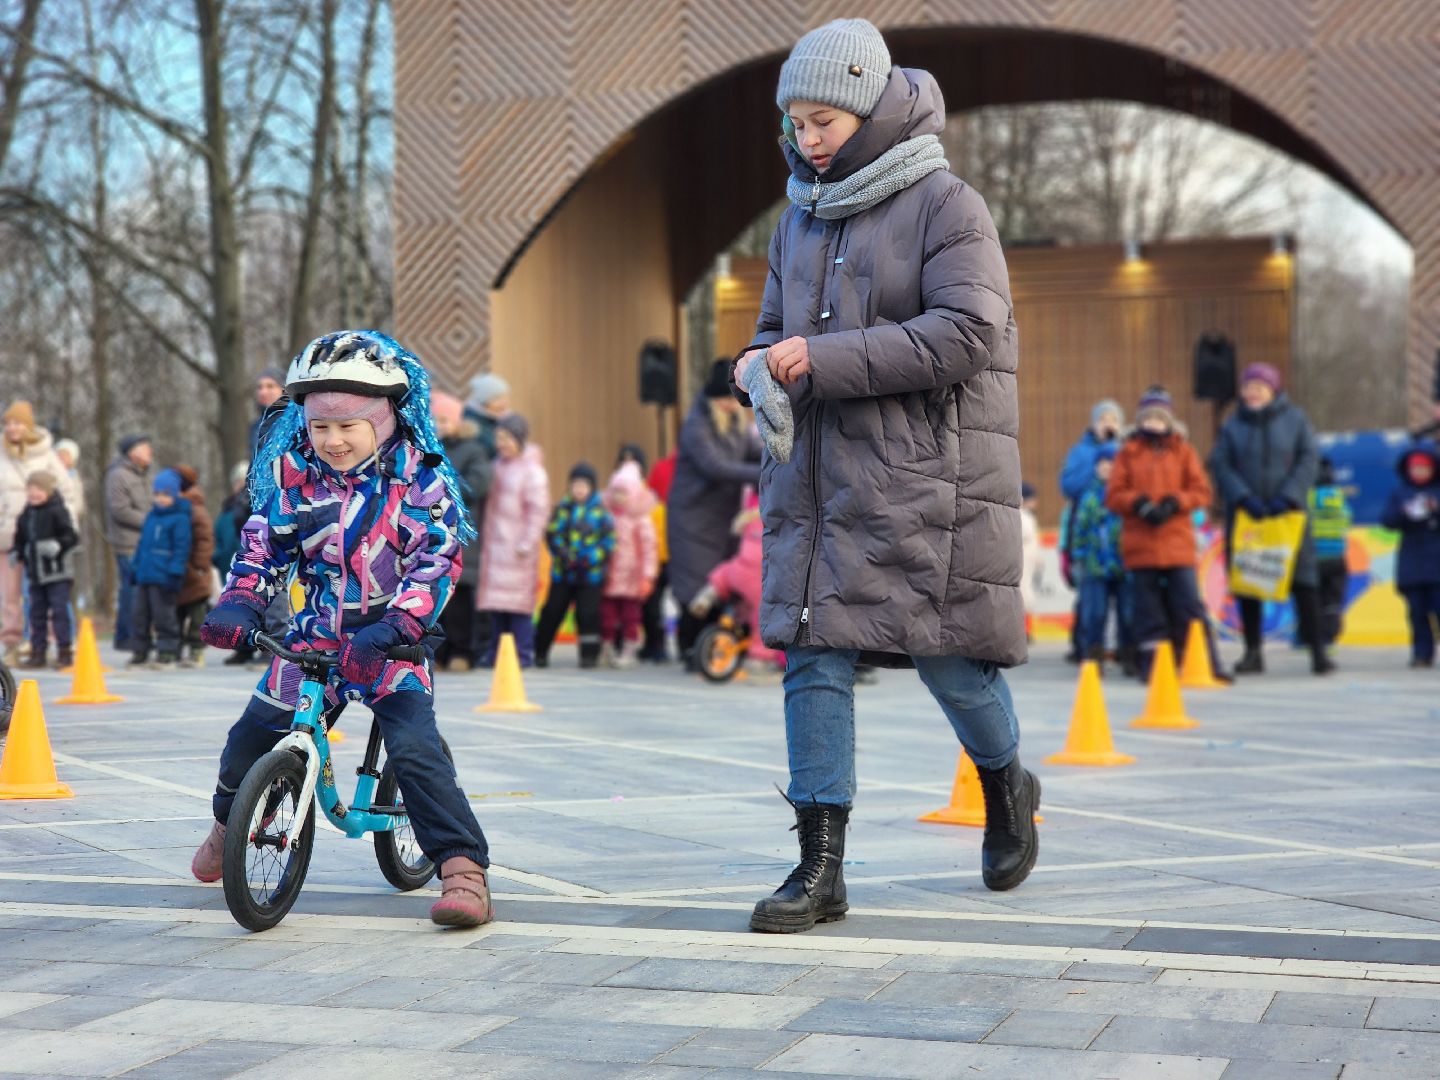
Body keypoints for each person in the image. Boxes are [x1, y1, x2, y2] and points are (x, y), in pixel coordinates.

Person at [731, 19, 1037, 934]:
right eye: (796, 123)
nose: (806, 138)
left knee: (950, 660)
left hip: (923, 482)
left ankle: (1006, 782)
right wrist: (753, 367)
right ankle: (818, 867)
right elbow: (765, 333)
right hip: (813, 484)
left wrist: (817, 360)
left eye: (822, 120)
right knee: (812, 659)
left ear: (868, 106)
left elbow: (968, 335)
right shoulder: (797, 216)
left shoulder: (949, 204)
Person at [194, 330, 495, 928]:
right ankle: (232, 822)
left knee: (416, 753)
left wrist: (399, 625)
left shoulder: (418, 481)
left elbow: (437, 561)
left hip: (389, 645)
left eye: (347, 426)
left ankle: (462, 867)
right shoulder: (295, 480)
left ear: (382, 421)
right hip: (313, 641)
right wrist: (241, 602)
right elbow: (263, 547)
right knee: (249, 739)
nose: (331, 441)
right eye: (319, 427)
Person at [1211, 362, 1333, 675]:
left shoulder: (1296, 420)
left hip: (1288, 516)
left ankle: (1318, 651)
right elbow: (1220, 464)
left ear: (1273, 389)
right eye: (1248, 387)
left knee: (1303, 583)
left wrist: (1289, 496)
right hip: (1249, 517)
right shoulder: (1232, 425)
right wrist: (1242, 497)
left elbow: (1309, 458)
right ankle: (1253, 652)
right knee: (1249, 583)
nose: (1252, 393)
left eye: (1259, 387)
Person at [1105, 388, 1223, 680]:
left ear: (1169, 420)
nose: (1154, 423)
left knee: (1188, 605)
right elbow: (1114, 494)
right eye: (1148, 417)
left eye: (1160, 417)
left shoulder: (1184, 451)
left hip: (1176, 543)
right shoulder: (1128, 452)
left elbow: (1201, 491)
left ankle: (1205, 662)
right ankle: (1155, 667)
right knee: (1149, 610)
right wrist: (1139, 503)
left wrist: (1175, 502)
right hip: (1141, 545)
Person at [667, 360, 762, 665]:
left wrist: (775, 459)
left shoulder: (734, 423)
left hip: (721, 519)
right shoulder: (697, 425)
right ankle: (690, 648)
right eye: (726, 399)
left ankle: (710, 650)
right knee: (695, 584)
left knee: (719, 584)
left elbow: (752, 453)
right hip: (692, 520)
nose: (732, 405)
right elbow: (715, 467)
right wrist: (759, 474)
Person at [2, 401, 80, 664]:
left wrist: (61, 533)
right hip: (10, 535)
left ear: (28, 425)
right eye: (8, 423)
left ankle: (61, 644)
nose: (12, 428)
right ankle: (16, 643)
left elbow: (66, 491)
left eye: (17, 422)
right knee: (11, 596)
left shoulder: (46, 455)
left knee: (53, 595)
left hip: (47, 536)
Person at [475, 413, 548, 668]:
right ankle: (497, 654)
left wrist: (527, 543)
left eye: (506, 438)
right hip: (495, 549)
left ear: (519, 439)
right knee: (498, 608)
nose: (501, 443)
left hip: (517, 550)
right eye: (498, 438)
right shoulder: (497, 466)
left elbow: (537, 511)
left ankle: (522, 654)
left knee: (518, 608)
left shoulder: (533, 471)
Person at [688, 491, 784, 676]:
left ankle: (709, 593)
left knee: (725, 572)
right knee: (764, 613)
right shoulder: (780, 519)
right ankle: (759, 656)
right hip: (759, 576)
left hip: (738, 570)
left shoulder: (750, 515)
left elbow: (735, 529)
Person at [1058, 400, 1125, 663]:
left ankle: (1122, 648)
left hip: (1118, 536)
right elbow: (1068, 485)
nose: (1108, 424)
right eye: (1103, 419)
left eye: (1113, 419)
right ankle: (1084, 646)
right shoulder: (1081, 452)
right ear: (1094, 424)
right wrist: (1099, 463)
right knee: (1090, 597)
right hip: (1089, 534)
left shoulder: (1128, 450)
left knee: (1123, 599)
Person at [431, 391, 493, 670]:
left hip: (461, 532)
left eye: (445, 419)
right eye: (436, 419)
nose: (440, 425)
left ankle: (462, 652)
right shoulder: (431, 448)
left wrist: (446, 488)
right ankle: (440, 652)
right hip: (434, 532)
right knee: (437, 597)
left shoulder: (473, 449)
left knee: (461, 599)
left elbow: (478, 483)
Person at [534, 463, 614, 668]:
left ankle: (589, 655)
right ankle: (540, 651)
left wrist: (590, 558)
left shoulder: (600, 513)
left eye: (584, 486)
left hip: (590, 575)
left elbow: (608, 542)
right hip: (564, 572)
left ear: (592, 488)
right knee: (552, 610)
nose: (579, 490)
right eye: (575, 485)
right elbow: (552, 534)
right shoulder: (562, 509)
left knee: (588, 614)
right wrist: (564, 554)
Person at [1071, 444, 1133, 673]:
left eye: (1112, 463)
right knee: (1095, 612)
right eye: (1103, 463)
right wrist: (1079, 557)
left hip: (1123, 565)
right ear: (1096, 467)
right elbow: (1080, 530)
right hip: (1095, 566)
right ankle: (1093, 656)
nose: (1108, 467)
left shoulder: (1125, 495)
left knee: (1128, 612)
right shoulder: (1089, 497)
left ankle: (1128, 655)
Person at [1380, 443, 1440, 668]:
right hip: (1412, 564)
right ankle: (1421, 653)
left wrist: (1435, 508)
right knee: (1416, 613)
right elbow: (1386, 521)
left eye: (1425, 468)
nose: (1420, 473)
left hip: (1437, 564)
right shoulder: (1400, 492)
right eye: (1416, 468)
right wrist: (1404, 512)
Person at [13, 470, 79, 669]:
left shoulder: (57, 510)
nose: (35, 494)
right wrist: (17, 552)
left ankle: (65, 652)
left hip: (57, 572)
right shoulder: (26, 513)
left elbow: (71, 536)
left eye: (39, 490)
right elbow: (20, 537)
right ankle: (38, 652)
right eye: (31, 490)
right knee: (36, 613)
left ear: (49, 491)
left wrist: (58, 544)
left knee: (59, 611)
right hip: (35, 574)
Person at [128, 468, 192, 670]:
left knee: (164, 615)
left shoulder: (180, 519)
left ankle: (167, 650)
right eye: (157, 494)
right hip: (145, 574)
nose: (161, 499)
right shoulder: (151, 517)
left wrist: (175, 571)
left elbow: (181, 547)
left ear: (174, 495)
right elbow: (142, 546)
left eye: (165, 494)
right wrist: (135, 567)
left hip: (163, 576)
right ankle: (140, 649)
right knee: (140, 615)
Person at [600, 460, 658, 668]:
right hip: (610, 576)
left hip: (632, 578)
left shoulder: (640, 519)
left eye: (624, 493)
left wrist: (647, 576)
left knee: (630, 617)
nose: (618, 497)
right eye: (615, 492)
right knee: (607, 615)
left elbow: (649, 549)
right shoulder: (606, 517)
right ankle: (606, 648)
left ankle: (628, 649)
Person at [104, 433, 153, 654]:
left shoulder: (144, 475)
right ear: (132, 451)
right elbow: (120, 510)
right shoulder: (118, 475)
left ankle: (135, 635)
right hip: (128, 543)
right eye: (144, 447)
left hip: (143, 543)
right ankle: (127, 636)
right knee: (131, 592)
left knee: (137, 592)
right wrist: (151, 522)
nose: (149, 451)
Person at [210, 461, 255, 665]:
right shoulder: (229, 506)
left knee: (253, 604)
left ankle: (263, 649)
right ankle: (242, 648)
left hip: (248, 558)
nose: (239, 484)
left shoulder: (255, 501)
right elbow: (219, 535)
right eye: (237, 481)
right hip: (227, 561)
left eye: (243, 480)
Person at [173, 465, 216, 669]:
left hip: (195, 571)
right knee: (177, 612)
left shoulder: (195, 508)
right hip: (179, 571)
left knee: (197, 612)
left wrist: (199, 564)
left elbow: (205, 539)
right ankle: (176, 648)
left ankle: (196, 650)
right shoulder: (174, 506)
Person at [1308, 457, 1352, 649]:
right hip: (1337, 556)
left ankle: (1312, 638)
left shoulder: (1308, 496)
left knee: (1313, 600)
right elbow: (1347, 519)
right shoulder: (1338, 496)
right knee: (1333, 600)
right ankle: (1331, 636)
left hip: (1314, 556)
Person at [640, 448, 676, 663]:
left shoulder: (664, 468)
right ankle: (656, 646)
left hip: (667, 556)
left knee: (655, 605)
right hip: (659, 558)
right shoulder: (648, 501)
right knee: (653, 605)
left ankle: (657, 646)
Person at [465, 372, 511, 460]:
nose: (504, 403)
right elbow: (494, 451)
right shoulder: (472, 423)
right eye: (498, 398)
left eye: (505, 397)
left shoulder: (503, 418)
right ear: (484, 401)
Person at [1019, 482, 1040, 641]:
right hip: (1023, 562)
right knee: (1024, 595)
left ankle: (1026, 629)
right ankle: (1023, 630)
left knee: (1027, 595)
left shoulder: (1027, 516)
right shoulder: (1022, 517)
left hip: (1029, 561)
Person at [249, 367, 286, 455]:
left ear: (283, 389)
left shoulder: (295, 420)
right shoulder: (256, 426)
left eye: (270, 386)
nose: (263, 392)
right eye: (259, 387)